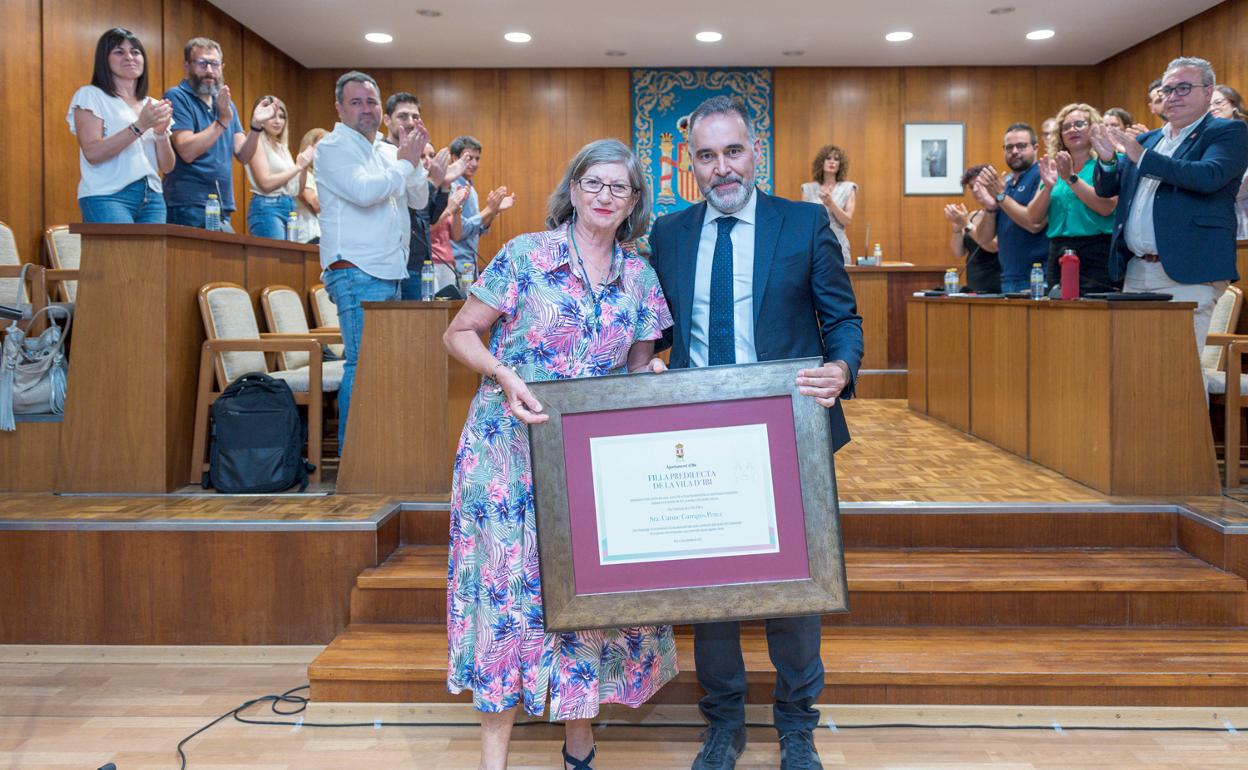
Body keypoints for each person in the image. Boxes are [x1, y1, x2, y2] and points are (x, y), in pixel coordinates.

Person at [442, 138, 677, 770]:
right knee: (506, 596)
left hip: (586, 460)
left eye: (618, 188)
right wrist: (502, 374)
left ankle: (580, 739)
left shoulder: (640, 275)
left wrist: (651, 375)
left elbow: (634, 370)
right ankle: (494, 756)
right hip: (507, 454)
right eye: (593, 183)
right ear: (572, 189)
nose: (604, 197)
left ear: (633, 202)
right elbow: (459, 331)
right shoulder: (524, 255)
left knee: (583, 592)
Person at [647, 96, 863, 770]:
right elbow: (665, 330)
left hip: (789, 429)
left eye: (732, 151)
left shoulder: (803, 223)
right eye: (707, 156)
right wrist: (653, 360)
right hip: (701, 434)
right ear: (692, 164)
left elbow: (843, 319)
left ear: (754, 151)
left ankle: (796, 726)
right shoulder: (670, 234)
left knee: (795, 589)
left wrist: (840, 367)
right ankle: (724, 725)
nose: (722, 167)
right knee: (712, 594)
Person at [1092, 57, 1248, 349]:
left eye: (1183, 88)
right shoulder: (1150, 140)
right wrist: (1107, 161)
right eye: (1167, 90)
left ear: (1207, 91)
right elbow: (1108, 188)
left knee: (1180, 371)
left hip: (1189, 271)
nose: (1172, 97)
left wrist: (1142, 157)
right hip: (1138, 269)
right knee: (1136, 368)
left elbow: (1209, 177)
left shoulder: (1227, 132)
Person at [315, 71, 429, 449]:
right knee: (363, 367)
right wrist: (404, 163)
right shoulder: (333, 148)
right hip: (356, 270)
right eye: (356, 102)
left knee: (385, 370)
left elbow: (418, 201)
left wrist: (412, 162)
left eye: (371, 102)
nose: (365, 109)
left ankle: (380, 456)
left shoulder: (383, 149)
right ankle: (355, 463)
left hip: (390, 269)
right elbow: (365, 192)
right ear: (339, 108)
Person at [164, 37, 275, 231]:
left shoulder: (225, 103)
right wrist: (222, 121)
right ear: (186, 66)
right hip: (187, 203)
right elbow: (186, 150)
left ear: (221, 67)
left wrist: (256, 126)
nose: (209, 70)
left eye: (214, 64)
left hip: (221, 204)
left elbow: (243, 154)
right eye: (201, 63)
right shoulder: (177, 96)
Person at [68, 28, 175, 223]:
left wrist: (160, 134)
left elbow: (167, 167)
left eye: (135, 52)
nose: (129, 57)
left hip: (152, 196)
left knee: (152, 255)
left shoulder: (151, 104)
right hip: (107, 196)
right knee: (120, 255)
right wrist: (140, 126)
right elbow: (93, 153)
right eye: (119, 52)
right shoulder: (90, 95)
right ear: (105, 59)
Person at [1019, 103, 1119, 294]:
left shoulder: (1108, 162)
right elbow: (1033, 217)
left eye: (1079, 124)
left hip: (1097, 251)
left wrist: (1071, 178)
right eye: (1066, 127)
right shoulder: (1054, 166)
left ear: (1093, 128)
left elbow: (1107, 208)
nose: (1072, 129)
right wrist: (1048, 187)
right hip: (1058, 251)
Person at [970, 123, 1050, 293]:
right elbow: (984, 239)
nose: (1014, 151)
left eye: (1021, 146)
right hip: (1008, 277)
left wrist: (1000, 196)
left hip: (1036, 277)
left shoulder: (1043, 175)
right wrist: (990, 208)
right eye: (1009, 147)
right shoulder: (1005, 184)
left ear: (1035, 148)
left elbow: (1033, 224)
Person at [245, 96, 315, 239]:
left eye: (282, 116)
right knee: (275, 260)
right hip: (267, 208)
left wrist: (303, 166)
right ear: (260, 118)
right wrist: (297, 167)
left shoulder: (282, 148)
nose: (278, 121)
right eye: (272, 116)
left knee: (289, 260)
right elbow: (265, 184)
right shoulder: (256, 142)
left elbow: (297, 190)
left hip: (289, 207)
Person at [449, 135, 515, 274]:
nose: (474, 163)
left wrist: (493, 212)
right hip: (454, 263)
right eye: (469, 158)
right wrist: (489, 210)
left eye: (477, 159)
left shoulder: (470, 188)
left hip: (470, 262)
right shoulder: (451, 187)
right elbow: (460, 231)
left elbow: (478, 230)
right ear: (455, 158)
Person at [944, 164, 1001, 293]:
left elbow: (992, 246)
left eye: (979, 184)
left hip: (996, 281)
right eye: (972, 187)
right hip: (974, 281)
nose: (975, 190)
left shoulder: (1002, 212)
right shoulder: (972, 215)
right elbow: (959, 253)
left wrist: (966, 224)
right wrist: (957, 227)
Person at [800, 145, 857, 264]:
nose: (832, 161)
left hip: (838, 243)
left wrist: (831, 204)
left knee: (840, 281)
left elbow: (847, 220)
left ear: (840, 165)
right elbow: (803, 220)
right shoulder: (808, 188)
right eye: (828, 158)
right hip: (814, 243)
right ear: (821, 162)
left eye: (836, 159)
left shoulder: (848, 187)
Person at [1208, 85, 1248, 239]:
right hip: (1219, 217)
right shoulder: (1206, 139)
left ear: (1233, 105)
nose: (1213, 108)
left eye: (1218, 102)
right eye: (1209, 105)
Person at [293, 128, 327, 244]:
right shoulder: (304, 174)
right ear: (310, 147)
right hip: (307, 237)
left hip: (322, 236)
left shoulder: (319, 176)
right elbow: (316, 205)